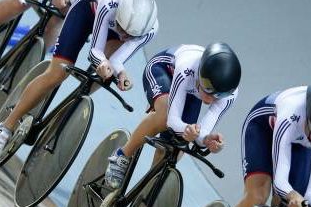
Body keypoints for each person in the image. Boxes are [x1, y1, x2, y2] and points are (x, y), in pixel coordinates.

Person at [0, 0, 158, 159]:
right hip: (87, 13)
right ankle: (6, 126)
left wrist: (120, 72)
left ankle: (69, 107)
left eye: (130, 36)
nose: (124, 37)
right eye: (123, 30)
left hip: (113, 28)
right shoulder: (110, 2)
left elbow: (117, 59)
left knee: (104, 76)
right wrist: (103, 62)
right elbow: (95, 52)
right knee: (57, 74)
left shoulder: (149, 30)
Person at [104, 43, 242, 189]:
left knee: (174, 149)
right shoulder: (187, 67)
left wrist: (207, 140)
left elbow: (200, 136)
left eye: (217, 96)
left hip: (191, 91)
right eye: (207, 91)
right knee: (164, 115)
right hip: (163, 70)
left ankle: (146, 192)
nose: (209, 100)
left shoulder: (229, 95)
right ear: (201, 76)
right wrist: (187, 130)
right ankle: (122, 155)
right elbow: (173, 120)